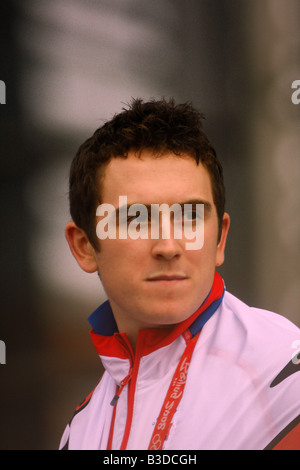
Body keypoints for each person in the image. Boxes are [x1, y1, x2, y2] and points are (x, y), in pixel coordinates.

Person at [59, 98, 300, 450]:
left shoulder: (284, 371)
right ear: (84, 246)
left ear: (220, 239)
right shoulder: (79, 431)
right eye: (135, 219)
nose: (169, 246)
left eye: (190, 216)